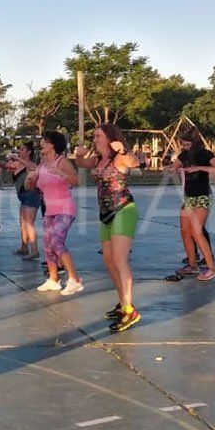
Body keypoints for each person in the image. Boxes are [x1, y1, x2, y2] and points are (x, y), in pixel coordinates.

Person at [75, 125, 142, 330]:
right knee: (109, 261)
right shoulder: (97, 160)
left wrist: (123, 150)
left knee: (120, 260)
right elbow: (81, 163)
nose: (95, 139)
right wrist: (78, 154)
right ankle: (123, 303)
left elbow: (134, 162)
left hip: (123, 210)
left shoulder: (119, 158)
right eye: (94, 135)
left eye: (98, 136)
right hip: (105, 214)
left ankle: (130, 310)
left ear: (109, 138)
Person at [28, 132, 83, 296]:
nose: (41, 144)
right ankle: (53, 280)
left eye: (45, 141)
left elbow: (76, 181)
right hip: (50, 210)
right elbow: (31, 186)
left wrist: (60, 173)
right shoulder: (42, 164)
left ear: (53, 145)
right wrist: (30, 178)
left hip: (65, 209)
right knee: (48, 244)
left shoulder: (62, 161)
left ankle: (74, 280)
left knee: (56, 241)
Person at [172, 133, 215, 281]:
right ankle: (192, 265)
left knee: (197, 231)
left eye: (188, 144)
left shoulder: (206, 154)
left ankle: (212, 267)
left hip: (203, 196)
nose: (186, 147)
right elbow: (173, 168)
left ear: (195, 143)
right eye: (183, 145)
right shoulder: (183, 155)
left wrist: (199, 168)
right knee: (185, 231)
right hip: (188, 197)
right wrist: (173, 169)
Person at [6, 141, 41, 259]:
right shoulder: (19, 164)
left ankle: (34, 250)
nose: (19, 152)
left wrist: (17, 158)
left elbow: (32, 167)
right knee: (22, 223)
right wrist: (0, 163)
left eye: (22, 150)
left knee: (29, 223)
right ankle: (24, 246)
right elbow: (8, 166)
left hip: (31, 195)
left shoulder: (30, 164)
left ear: (29, 152)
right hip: (23, 196)